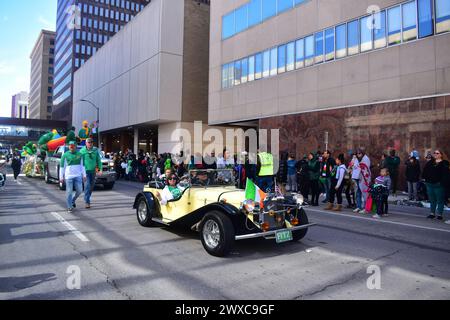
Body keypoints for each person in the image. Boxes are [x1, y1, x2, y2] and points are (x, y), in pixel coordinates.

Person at [422, 149, 449, 221]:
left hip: (439, 185)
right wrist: (425, 179)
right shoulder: (430, 162)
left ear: (441, 154)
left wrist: (442, 183)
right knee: (432, 200)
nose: (435, 154)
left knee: (440, 200)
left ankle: (440, 214)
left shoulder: (445, 163)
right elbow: (425, 171)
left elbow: (446, 175)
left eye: (437, 153)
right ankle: (432, 213)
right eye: (434, 153)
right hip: (429, 184)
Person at [60, 141, 87, 213]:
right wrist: (61, 177)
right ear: (69, 146)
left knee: (80, 190)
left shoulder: (80, 155)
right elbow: (62, 167)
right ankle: (69, 206)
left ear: (75, 146)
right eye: (70, 146)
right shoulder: (65, 155)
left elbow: (82, 166)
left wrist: (84, 175)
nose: (71, 147)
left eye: (73, 146)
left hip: (78, 175)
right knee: (69, 192)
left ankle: (72, 200)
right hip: (68, 176)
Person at [80, 138, 102, 209]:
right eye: (89, 142)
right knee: (87, 185)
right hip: (85, 172)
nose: (90, 143)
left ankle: (87, 197)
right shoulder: (82, 151)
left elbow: (98, 160)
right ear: (86, 143)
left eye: (91, 142)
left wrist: (100, 169)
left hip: (93, 171)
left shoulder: (95, 150)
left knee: (92, 186)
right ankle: (87, 202)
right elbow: (78, 161)